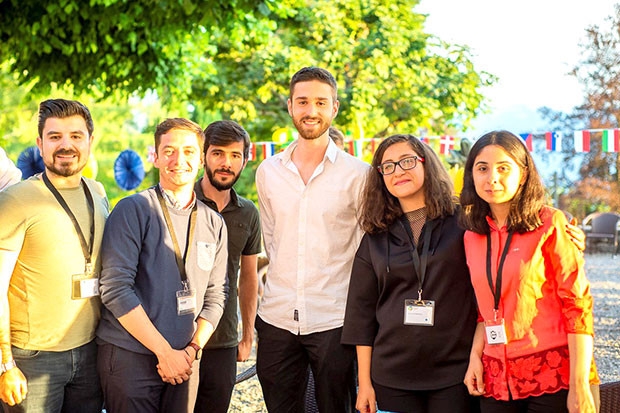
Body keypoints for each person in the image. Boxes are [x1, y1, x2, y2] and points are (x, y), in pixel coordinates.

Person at [255, 66, 370, 413]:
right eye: (303, 101)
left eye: (321, 102)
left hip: (334, 319)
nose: (311, 110)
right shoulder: (268, 171)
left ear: (334, 108)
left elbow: (367, 250)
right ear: (290, 106)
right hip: (276, 318)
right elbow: (272, 239)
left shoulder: (359, 174)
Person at [460, 130, 599, 413]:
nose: (492, 178)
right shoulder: (472, 235)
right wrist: (476, 356)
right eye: (482, 168)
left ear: (523, 174)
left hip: (553, 373)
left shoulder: (550, 223)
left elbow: (577, 306)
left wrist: (580, 384)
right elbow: (486, 309)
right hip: (496, 378)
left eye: (503, 168)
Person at [96, 118, 228, 412]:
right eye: (169, 151)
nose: (178, 160)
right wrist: (164, 352)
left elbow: (217, 295)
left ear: (202, 158)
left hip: (185, 360)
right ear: (155, 157)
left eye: (189, 151)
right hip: (131, 357)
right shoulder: (133, 210)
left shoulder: (214, 222)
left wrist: (192, 349)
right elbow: (116, 289)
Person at [342, 134, 479, 413]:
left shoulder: (463, 223)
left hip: (455, 372)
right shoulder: (375, 237)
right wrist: (364, 383)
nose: (398, 171)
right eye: (388, 166)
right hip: (391, 375)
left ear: (426, 163)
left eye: (406, 161)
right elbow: (361, 314)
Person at [0, 99, 108, 412]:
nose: (66, 145)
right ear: (40, 143)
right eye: (55, 136)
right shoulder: (16, 200)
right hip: (31, 358)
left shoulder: (98, 193)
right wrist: (6, 364)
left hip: (90, 351)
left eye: (76, 136)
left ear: (90, 140)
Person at [193, 120, 262, 413]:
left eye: (235, 155)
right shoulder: (182, 202)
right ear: (203, 156)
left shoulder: (248, 213)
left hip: (224, 341)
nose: (226, 163)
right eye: (218, 153)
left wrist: (247, 336)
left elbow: (248, 279)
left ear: (245, 160)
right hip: (178, 338)